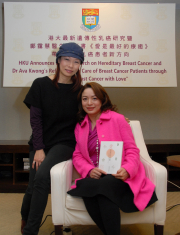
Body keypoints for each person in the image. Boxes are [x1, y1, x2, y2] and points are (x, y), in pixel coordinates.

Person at [67, 82, 158, 235]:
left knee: (102, 187)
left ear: (102, 99)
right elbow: (77, 155)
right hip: (96, 175)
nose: (89, 103)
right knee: (90, 186)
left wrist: (127, 170)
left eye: (94, 98)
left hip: (118, 176)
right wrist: (89, 170)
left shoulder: (118, 119)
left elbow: (132, 150)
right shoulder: (80, 126)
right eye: (85, 99)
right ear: (80, 102)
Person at [20, 42, 84, 235]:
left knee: (41, 178)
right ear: (58, 60)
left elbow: (96, 108)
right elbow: (35, 120)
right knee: (33, 185)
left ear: (80, 65)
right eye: (66, 59)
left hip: (64, 143)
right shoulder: (40, 84)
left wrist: (118, 117)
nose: (70, 65)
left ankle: (30, 231)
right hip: (41, 141)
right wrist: (39, 148)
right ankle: (25, 217)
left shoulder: (80, 90)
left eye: (76, 61)